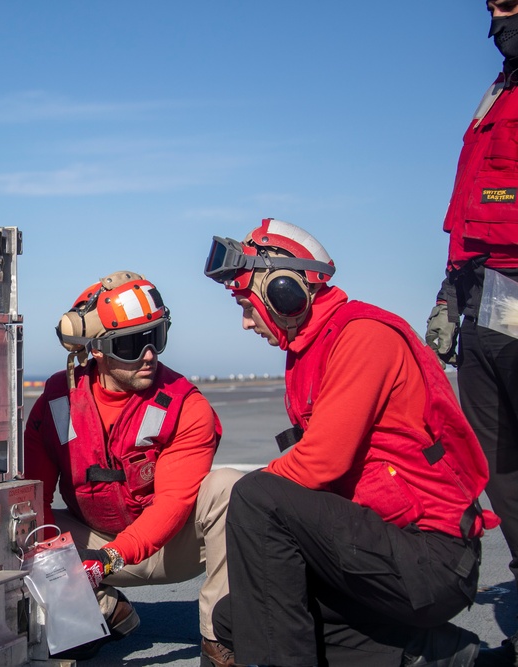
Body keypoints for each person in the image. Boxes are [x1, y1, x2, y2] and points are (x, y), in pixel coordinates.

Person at [203, 218, 499, 667]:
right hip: (380, 542)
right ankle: (436, 656)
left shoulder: (361, 336)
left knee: (255, 497)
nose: (245, 323)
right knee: (238, 618)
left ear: (283, 292)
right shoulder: (307, 349)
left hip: (430, 558)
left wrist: (257, 497)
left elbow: (319, 465)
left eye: (247, 305)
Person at [23, 270, 243, 663]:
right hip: (91, 542)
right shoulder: (57, 400)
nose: (149, 356)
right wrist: (55, 562)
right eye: (131, 344)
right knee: (15, 524)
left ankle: (218, 637)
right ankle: (105, 608)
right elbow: (34, 492)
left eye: (156, 337)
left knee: (227, 489)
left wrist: (110, 558)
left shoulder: (186, 406)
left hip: (169, 548)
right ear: (97, 350)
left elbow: (174, 503)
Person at [426, 3, 518, 661]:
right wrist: (447, 297)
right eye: (490, 8)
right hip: (484, 306)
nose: (495, 22)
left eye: (509, 5)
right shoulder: (495, 98)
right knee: (501, 468)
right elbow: (471, 219)